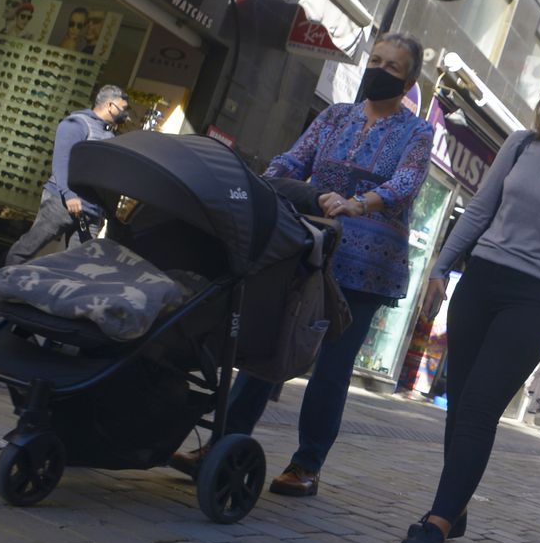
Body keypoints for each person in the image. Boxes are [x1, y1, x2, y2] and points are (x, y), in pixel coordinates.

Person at [169, 34, 434, 496]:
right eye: (375, 60)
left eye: (392, 67)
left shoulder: (417, 132)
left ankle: (307, 464)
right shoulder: (336, 116)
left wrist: (359, 203)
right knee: (267, 345)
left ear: (409, 81)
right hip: (309, 247)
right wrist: (259, 182)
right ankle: (223, 442)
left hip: (367, 267)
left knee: (332, 367)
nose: (379, 70)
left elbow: (406, 183)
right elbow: (294, 159)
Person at [397, 58, 540, 543]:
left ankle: (435, 527)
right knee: (459, 406)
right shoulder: (519, 145)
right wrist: (440, 267)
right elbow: (479, 210)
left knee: (478, 409)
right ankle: (455, 508)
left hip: (533, 300)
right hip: (480, 283)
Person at [5, 85, 129, 265]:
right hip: (62, 203)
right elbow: (61, 161)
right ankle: (0, 279)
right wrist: (69, 195)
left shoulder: (110, 134)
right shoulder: (77, 124)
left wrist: (107, 213)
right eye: (123, 109)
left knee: (80, 263)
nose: (125, 115)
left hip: (91, 211)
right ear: (110, 105)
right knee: (28, 247)